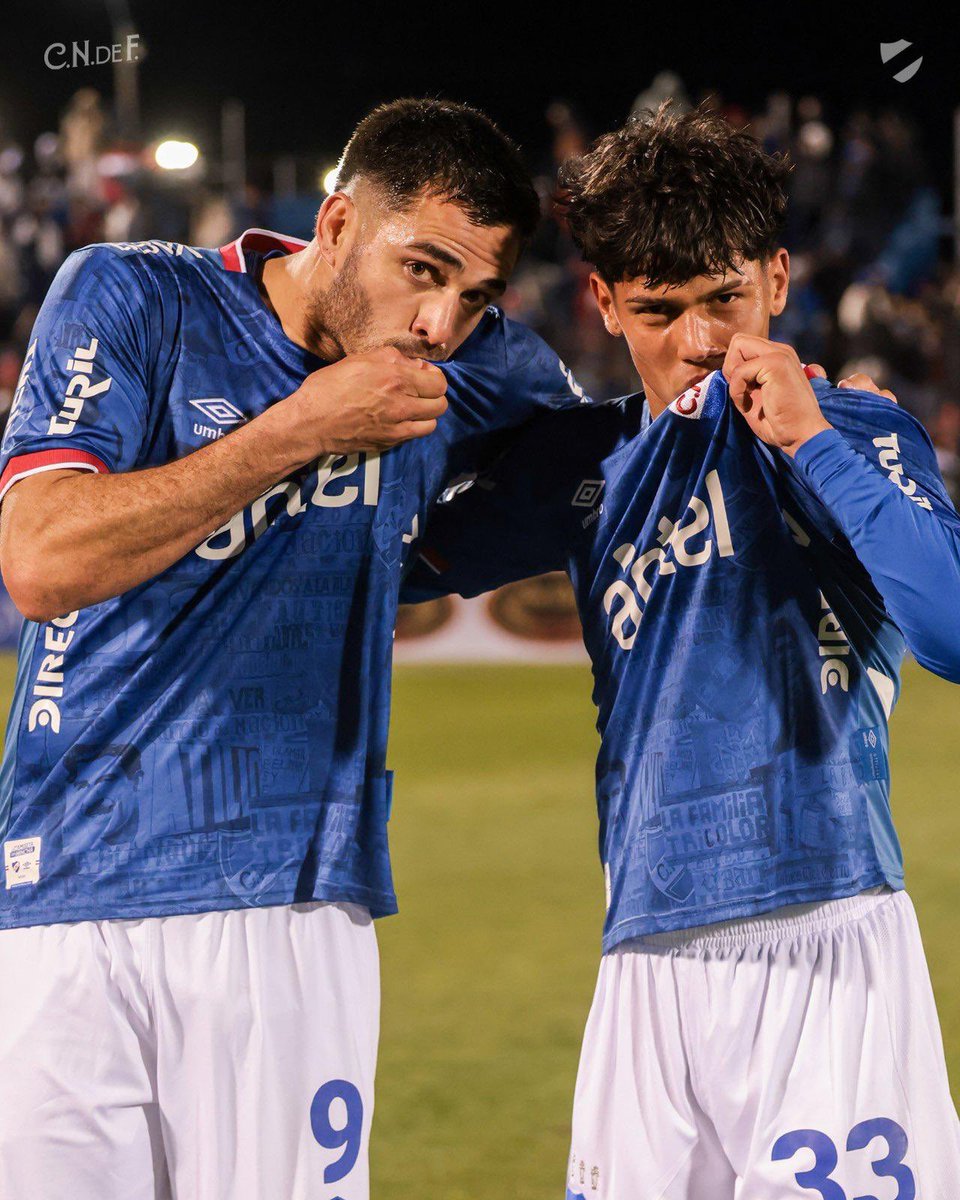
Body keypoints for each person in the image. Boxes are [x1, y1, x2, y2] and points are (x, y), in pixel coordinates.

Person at [0, 98, 586, 1200]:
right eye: (423, 270)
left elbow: (603, 461)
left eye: (476, 296)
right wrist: (303, 430)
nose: (441, 323)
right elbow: (41, 560)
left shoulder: (474, 368)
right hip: (58, 897)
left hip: (290, 904)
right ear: (334, 225)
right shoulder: (138, 296)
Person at [404, 107, 960, 1197]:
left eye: (726, 301)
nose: (701, 342)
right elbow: (393, 559)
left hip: (829, 933)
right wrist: (479, 378)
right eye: (658, 310)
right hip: (645, 958)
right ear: (603, 302)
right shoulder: (587, 460)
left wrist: (808, 440)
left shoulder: (855, 433)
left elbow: (949, 628)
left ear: (780, 279)